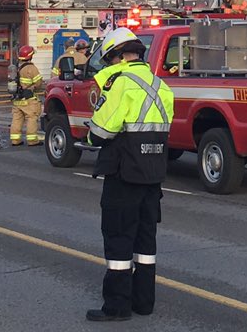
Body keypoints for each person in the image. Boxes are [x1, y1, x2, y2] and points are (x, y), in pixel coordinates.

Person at [85, 27, 174, 322]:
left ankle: (117, 306)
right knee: (146, 242)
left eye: (109, 60)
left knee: (119, 238)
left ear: (119, 56)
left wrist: (90, 135)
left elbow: (101, 131)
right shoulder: (161, 86)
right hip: (153, 175)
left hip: (123, 174)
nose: (109, 66)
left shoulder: (121, 84)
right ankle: (144, 302)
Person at [10, 45, 43, 147]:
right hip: (29, 99)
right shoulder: (31, 68)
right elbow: (38, 83)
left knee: (17, 119)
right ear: (30, 56)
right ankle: (32, 140)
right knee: (32, 118)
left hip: (17, 99)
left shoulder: (16, 67)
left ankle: (15, 140)